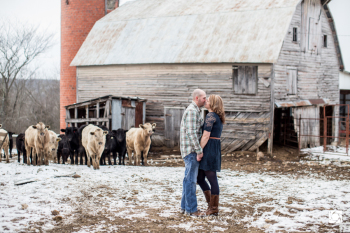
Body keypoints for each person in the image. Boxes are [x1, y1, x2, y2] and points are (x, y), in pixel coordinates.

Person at [197, 95, 225, 216]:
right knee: (200, 178)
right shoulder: (217, 116)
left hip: (209, 148)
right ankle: (211, 205)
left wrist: (199, 150)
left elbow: (205, 136)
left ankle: (213, 208)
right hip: (213, 147)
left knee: (212, 178)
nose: (205, 101)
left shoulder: (210, 116)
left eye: (208, 100)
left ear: (213, 104)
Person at [180, 89, 206, 216]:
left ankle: (185, 207)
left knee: (187, 179)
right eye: (204, 98)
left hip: (190, 150)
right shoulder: (191, 111)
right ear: (197, 98)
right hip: (191, 151)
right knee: (191, 180)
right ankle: (191, 210)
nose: (205, 100)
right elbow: (191, 133)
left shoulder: (195, 110)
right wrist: (199, 150)